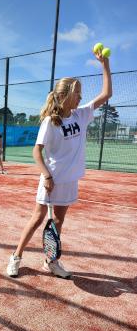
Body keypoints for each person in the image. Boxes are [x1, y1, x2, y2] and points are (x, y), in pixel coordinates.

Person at [7, 51, 112, 279]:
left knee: (58, 221)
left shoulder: (81, 115)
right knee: (37, 218)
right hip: (51, 180)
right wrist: (46, 176)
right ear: (64, 95)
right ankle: (15, 257)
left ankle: (51, 262)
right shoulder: (50, 121)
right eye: (77, 94)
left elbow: (106, 94)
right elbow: (37, 151)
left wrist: (105, 64)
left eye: (81, 94)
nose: (80, 98)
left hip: (69, 180)